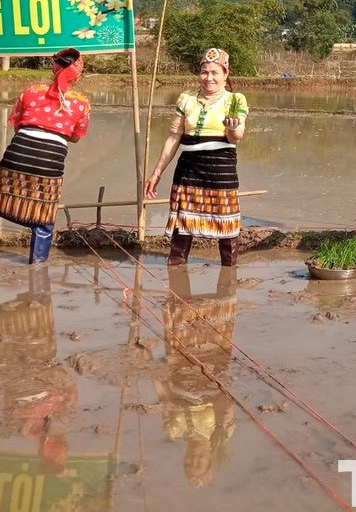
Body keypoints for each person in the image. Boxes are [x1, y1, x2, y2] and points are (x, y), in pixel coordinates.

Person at [0, 48, 90, 268]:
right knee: (43, 218)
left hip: (18, 153)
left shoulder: (31, 91)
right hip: (51, 161)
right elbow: (76, 137)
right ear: (78, 74)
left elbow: (18, 125)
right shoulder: (81, 102)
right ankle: (37, 269)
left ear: (54, 67)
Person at [0, 264, 78, 475]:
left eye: (55, 451)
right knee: (35, 319)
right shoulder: (69, 419)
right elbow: (70, 386)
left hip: (13, 373)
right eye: (61, 449)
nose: (56, 447)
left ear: (43, 453)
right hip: (41, 365)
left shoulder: (26, 430)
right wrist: (61, 389)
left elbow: (3, 402)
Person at [144, 48, 247, 266]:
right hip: (188, 168)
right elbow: (174, 138)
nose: (209, 78)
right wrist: (157, 172)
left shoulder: (235, 100)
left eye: (215, 72)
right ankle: (177, 271)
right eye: (204, 72)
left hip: (221, 170)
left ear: (225, 74)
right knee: (182, 225)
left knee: (226, 226)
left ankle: (228, 275)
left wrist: (231, 128)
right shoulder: (186, 99)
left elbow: (236, 137)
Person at [155, 265, 239, 488]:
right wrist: (220, 423)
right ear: (209, 459)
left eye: (189, 463)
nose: (193, 458)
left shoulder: (174, 431)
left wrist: (152, 370)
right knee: (218, 315)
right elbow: (225, 396)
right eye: (198, 462)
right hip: (210, 373)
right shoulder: (221, 434)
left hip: (179, 371)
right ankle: (226, 281)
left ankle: (179, 284)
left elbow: (164, 399)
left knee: (178, 314)